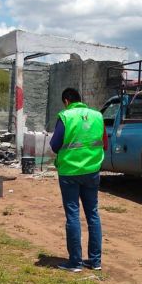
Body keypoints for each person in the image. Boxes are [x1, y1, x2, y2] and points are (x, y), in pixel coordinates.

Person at [49, 88, 108, 272]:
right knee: (93, 214)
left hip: (70, 173)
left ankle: (75, 262)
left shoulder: (66, 116)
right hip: (92, 171)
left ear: (66, 101)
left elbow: (54, 144)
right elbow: (104, 143)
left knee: (73, 215)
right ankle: (95, 261)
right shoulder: (97, 116)